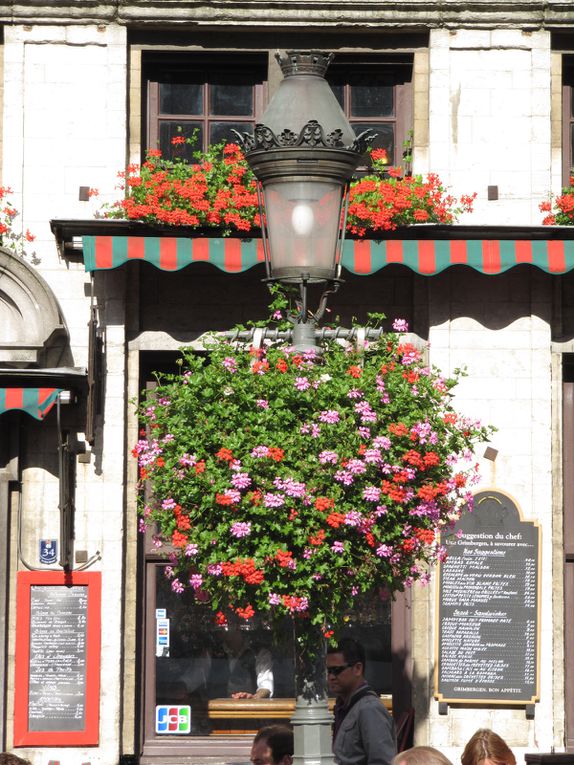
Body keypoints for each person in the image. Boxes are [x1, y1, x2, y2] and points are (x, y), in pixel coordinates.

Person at [327, 637, 396, 765]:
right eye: (328, 671)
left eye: (337, 670)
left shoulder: (370, 709)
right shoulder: (343, 706)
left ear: (357, 668)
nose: (331, 677)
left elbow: (383, 761)